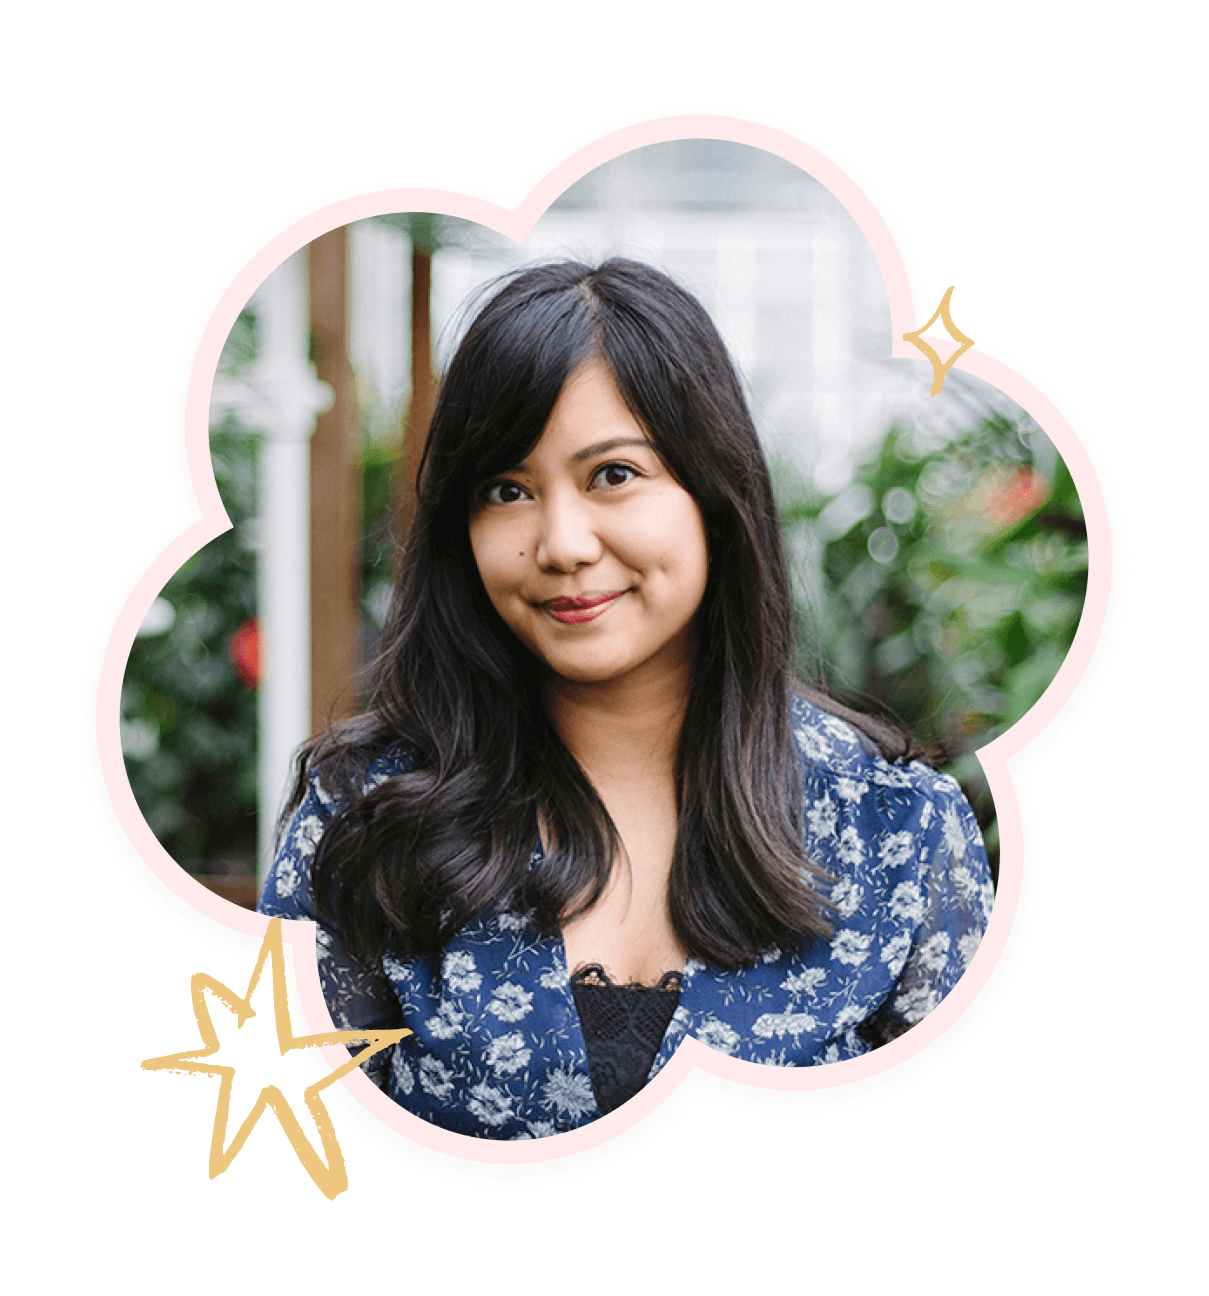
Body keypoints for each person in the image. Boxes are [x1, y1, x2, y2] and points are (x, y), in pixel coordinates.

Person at [258, 258, 992, 1140]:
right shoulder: (363, 813)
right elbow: (285, 1149)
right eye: (506, 491)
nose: (562, 543)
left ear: (712, 495)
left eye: (612, 474)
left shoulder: (895, 829)